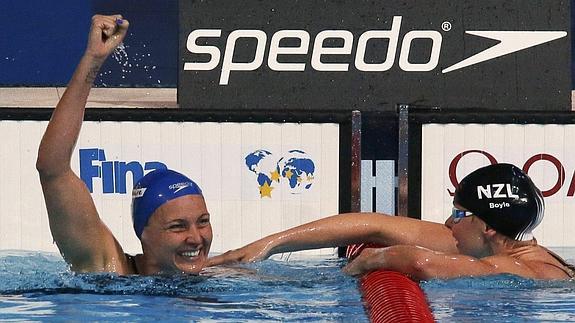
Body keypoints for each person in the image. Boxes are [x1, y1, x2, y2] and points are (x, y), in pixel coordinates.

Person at [36, 15, 212, 275]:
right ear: (144, 233)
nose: (196, 238)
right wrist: (93, 61)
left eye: (203, 222)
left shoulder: (219, 271)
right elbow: (52, 168)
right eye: (178, 226)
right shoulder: (109, 268)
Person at [208, 163, 574, 280]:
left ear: (488, 224)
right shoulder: (490, 241)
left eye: (459, 213)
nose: (448, 222)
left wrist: (372, 260)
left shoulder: (532, 272)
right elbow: (374, 224)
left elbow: (421, 262)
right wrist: (267, 245)